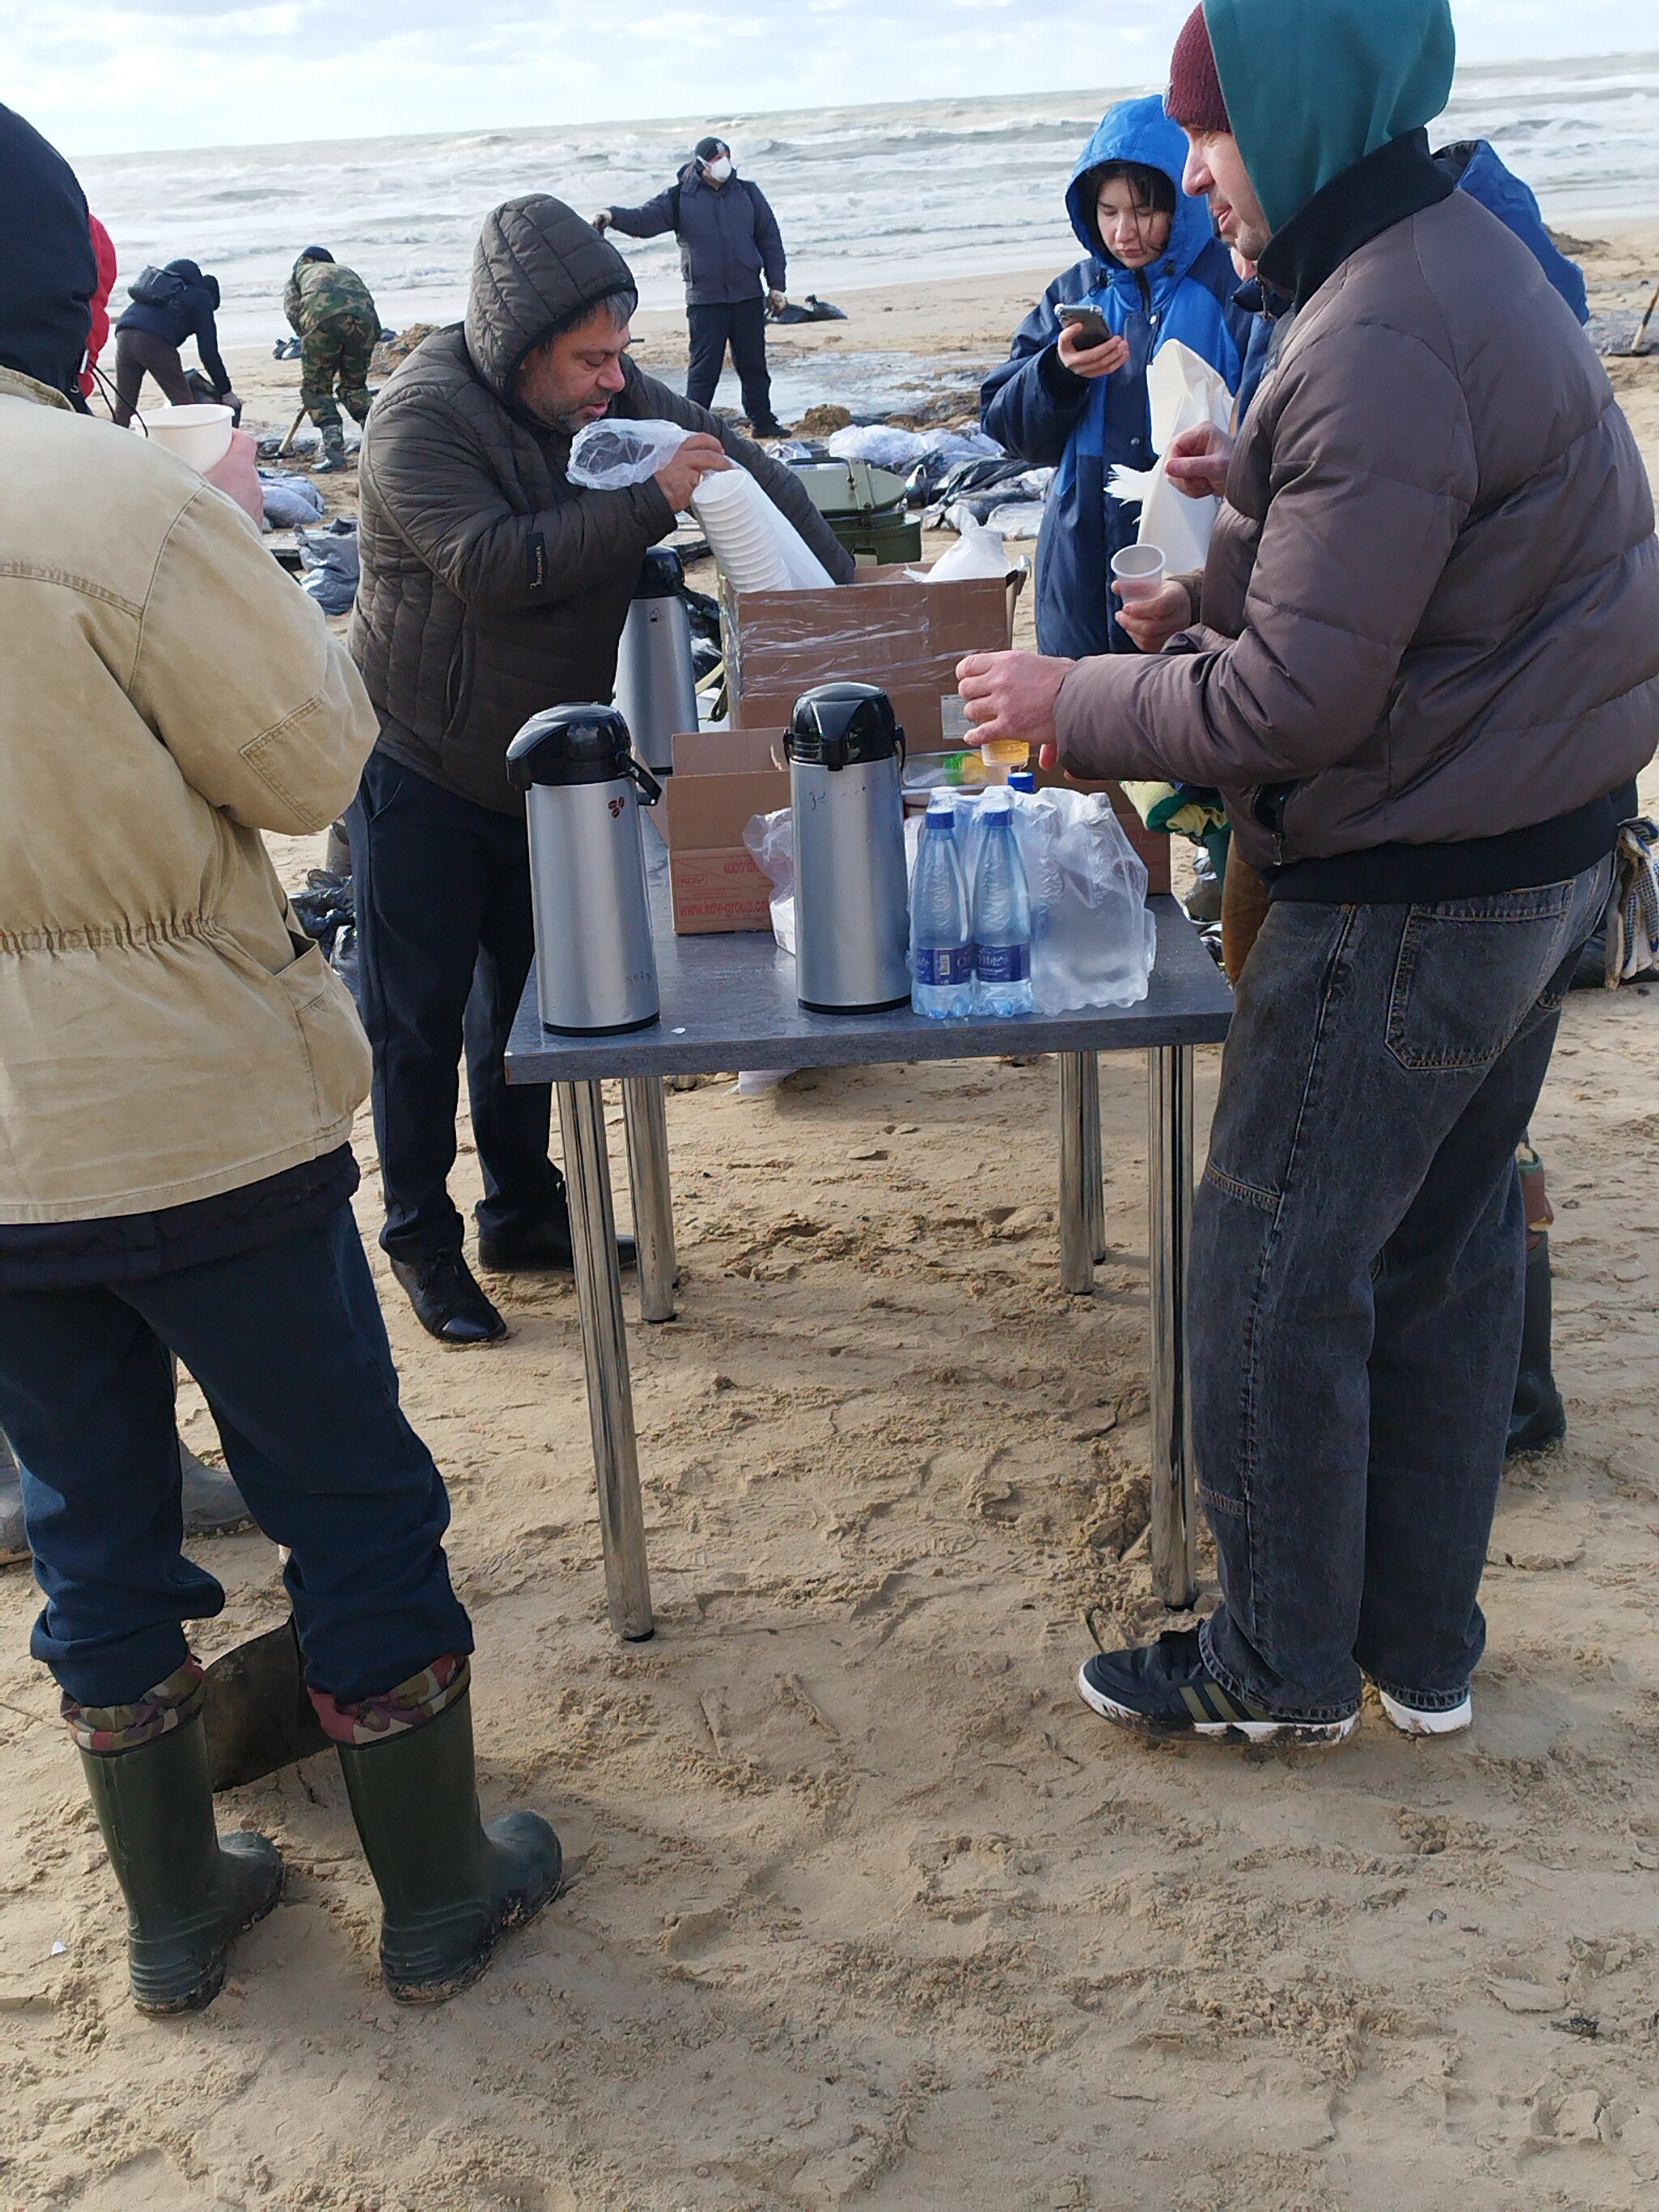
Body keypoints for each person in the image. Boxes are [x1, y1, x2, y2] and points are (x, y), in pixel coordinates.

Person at [956, 0, 1659, 1745]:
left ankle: (1274, 1665)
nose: (1193, 175)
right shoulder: (1437, 251)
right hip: (1538, 839)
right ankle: (1418, 1652)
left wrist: (1070, 700)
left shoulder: (1382, 323)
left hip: (1423, 869)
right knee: (1432, 1250)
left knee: (1272, 1258)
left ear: (1303, 114)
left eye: (1212, 135)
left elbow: (1301, 700)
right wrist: (1224, 546)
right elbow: (1425, 568)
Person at [0, 140, 561, 2014]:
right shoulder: (110, 499)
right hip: (196, 1125)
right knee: (351, 1497)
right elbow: (317, 761)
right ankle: (435, 1890)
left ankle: (175, 1918)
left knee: (91, 1529)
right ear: (68, 288)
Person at [349, 194, 851, 1346]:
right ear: (521, 348)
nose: (611, 382)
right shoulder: (418, 420)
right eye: (589, 361)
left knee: (530, 1004)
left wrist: (852, 609)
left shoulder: (607, 387)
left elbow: (744, 466)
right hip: (416, 758)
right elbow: (492, 564)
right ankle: (421, 1241)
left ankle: (523, 1210)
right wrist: (649, 501)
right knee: (415, 1021)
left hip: (543, 770)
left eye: (619, 355)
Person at [980, 96, 1247, 660]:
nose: (1125, 232)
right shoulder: (1073, 294)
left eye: (1144, 210)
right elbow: (1005, 423)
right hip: (1078, 558)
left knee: (1179, 709)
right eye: (1108, 212)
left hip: (1190, 540)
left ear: (1182, 201)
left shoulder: (1232, 287)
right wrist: (1057, 374)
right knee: (1077, 717)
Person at [595, 138, 789, 437]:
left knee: (754, 365)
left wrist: (777, 285)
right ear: (702, 164)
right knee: (704, 370)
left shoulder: (747, 193)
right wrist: (613, 216)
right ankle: (691, 426)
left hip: (747, 294)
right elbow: (645, 221)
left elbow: (769, 239)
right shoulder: (679, 197)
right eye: (717, 157)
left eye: (727, 155)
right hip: (706, 299)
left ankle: (763, 422)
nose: (724, 161)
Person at [284, 244, 382, 474]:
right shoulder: (345, 271)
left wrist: (311, 343)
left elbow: (293, 311)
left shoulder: (299, 273)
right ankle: (383, 442)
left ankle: (335, 454)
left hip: (322, 321)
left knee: (317, 390)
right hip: (366, 323)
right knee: (354, 386)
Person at [111, 257, 241, 427]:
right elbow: (209, 352)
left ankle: (111, 447)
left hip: (124, 335)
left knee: (124, 407)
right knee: (184, 405)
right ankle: (189, 449)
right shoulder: (201, 297)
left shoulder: (159, 291)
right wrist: (226, 391)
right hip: (154, 340)